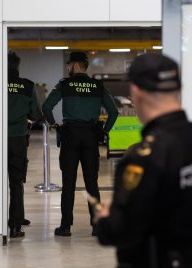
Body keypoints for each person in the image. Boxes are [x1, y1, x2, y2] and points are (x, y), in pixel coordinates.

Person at [95, 53, 192, 268]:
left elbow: (119, 231)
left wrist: (105, 218)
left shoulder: (144, 157)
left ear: (136, 91)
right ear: (177, 89)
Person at [42, 51, 118, 237]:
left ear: (74, 66)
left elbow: (46, 107)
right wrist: (104, 130)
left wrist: (54, 125)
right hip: (91, 136)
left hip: (70, 135)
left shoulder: (64, 84)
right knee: (92, 183)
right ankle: (97, 226)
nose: (68, 68)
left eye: (69, 65)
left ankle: (66, 227)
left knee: (68, 183)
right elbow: (113, 111)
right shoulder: (97, 86)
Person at [7, 52, 42, 238]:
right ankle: (15, 225)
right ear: (18, 66)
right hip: (18, 139)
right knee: (16, 182)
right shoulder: (27, 85)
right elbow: (36, 114)